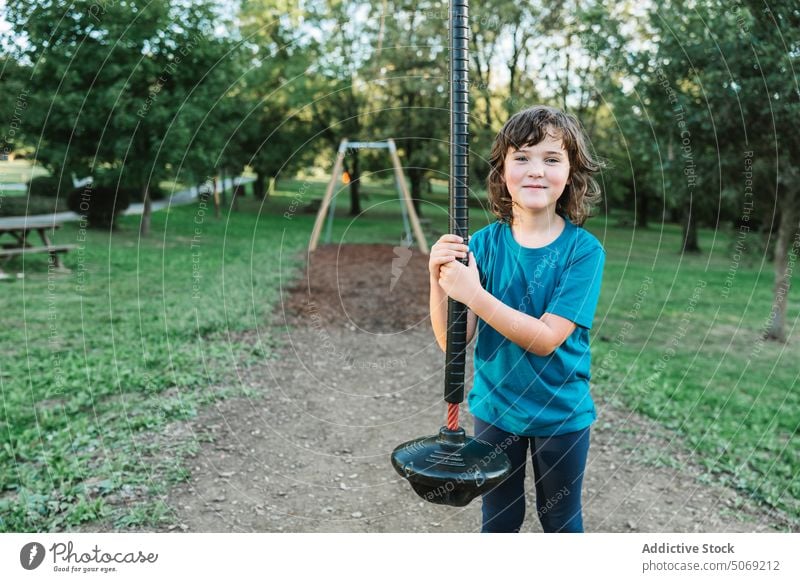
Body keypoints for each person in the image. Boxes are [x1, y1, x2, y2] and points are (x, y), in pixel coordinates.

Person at [428, 105, 605, 533]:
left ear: (571, 171)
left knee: (560, 518)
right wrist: (438, 278)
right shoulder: (482, 245)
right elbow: (454, 340)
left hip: (560, 415)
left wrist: (474, 293)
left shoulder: (583, 252)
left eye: (551, 158)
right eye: (521, 157)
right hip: (495, 409)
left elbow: (546, 339)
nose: (535, 171)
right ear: (503, 170)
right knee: (500, 519)